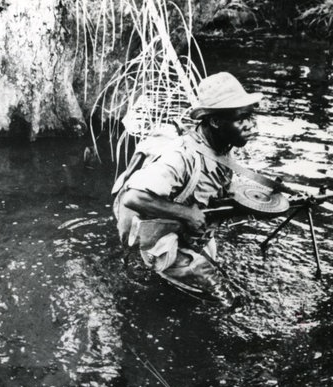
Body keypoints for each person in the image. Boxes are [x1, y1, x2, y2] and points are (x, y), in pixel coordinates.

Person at [113, 72, 263, 307]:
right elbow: (132, 197)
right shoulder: (180, 156)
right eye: (241, 118)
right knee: (231, 302)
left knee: (216, 284)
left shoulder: (220, 146)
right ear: (215, 121)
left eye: (251, 117)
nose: (251, 125)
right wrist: (186, 214)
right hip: (162, 239)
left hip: (190, 234)